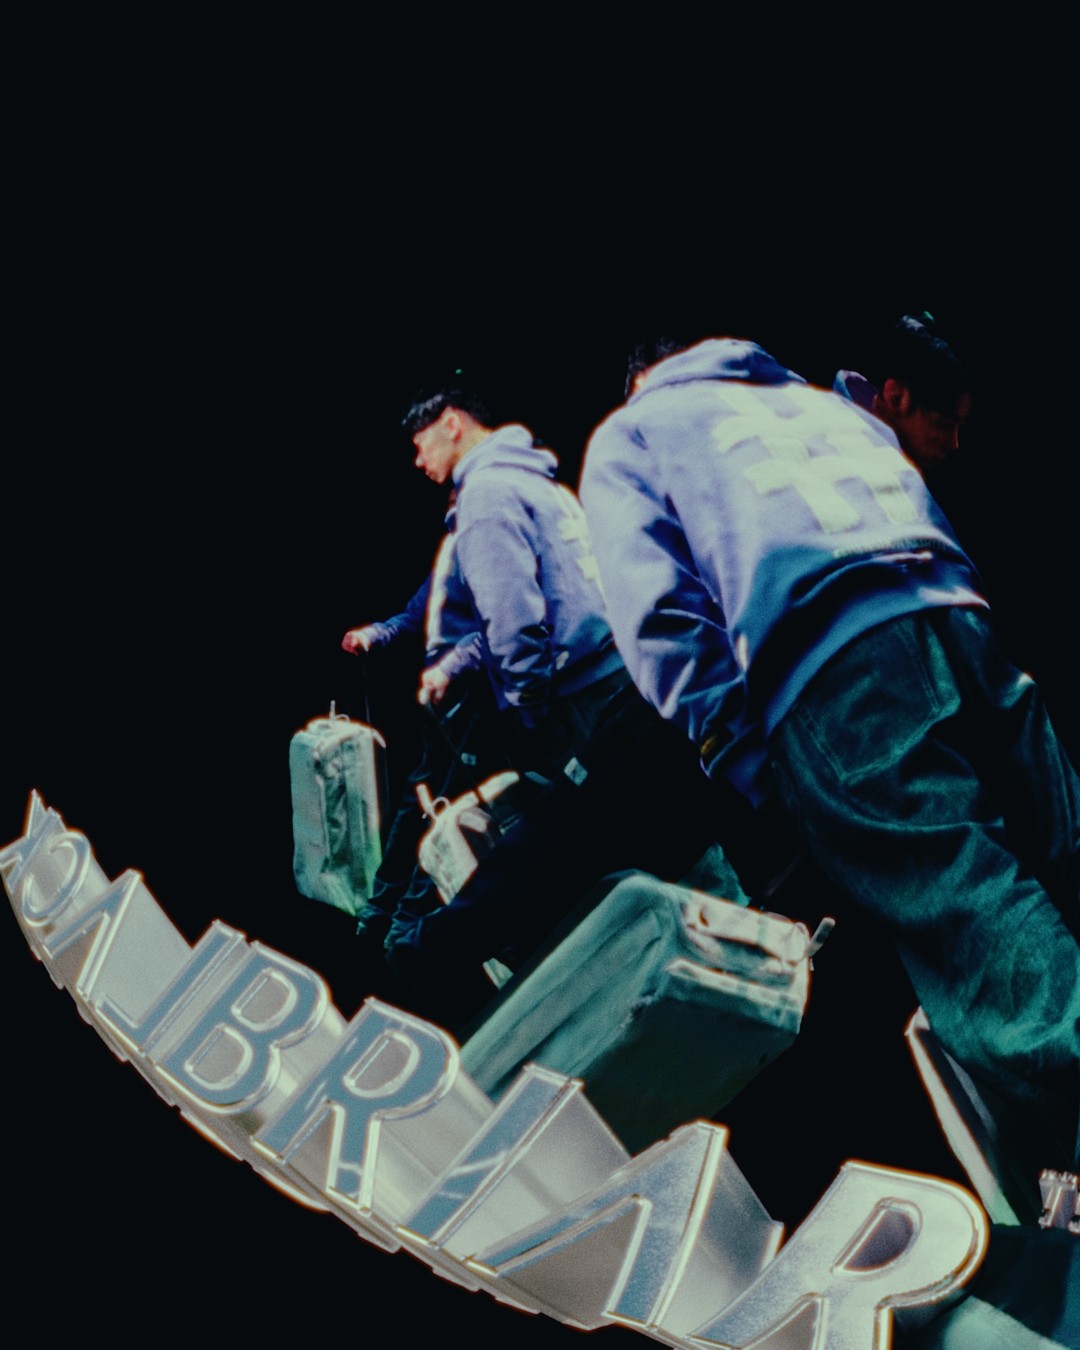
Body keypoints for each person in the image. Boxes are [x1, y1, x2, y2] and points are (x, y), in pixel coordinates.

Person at [580, 335, 1079, 1184]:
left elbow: (659, 619)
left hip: (834, 665)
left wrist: (743, 753)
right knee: (1063, 854)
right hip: (956, 612)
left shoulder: (633, 432)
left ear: (639, 379)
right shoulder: (814, 399)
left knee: (972, 902)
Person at [384, 385, 750, 1031]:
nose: (419, 461)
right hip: (618, 677)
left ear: (452, 423)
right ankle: (737, 942)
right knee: (658, 819)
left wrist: (528, 704)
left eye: (420, 445)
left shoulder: (486, 494)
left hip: (576, 697)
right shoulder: (541, 483)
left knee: (592, 843)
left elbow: (514, 615)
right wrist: (460, 666)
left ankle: (712, 970)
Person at [341, 519, 503, 947]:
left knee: (447, 807)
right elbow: (417, 614)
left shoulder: (489, 546)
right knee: (416, 803)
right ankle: (380, 909)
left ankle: (407, 923)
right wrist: (375, 634)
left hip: (473, 696)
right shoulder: (454, 547)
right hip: (442, 701)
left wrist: (453, 668)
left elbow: (496, 628)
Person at [833, 312, 974, 473]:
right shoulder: (830, 438)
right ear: (896, 397)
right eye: (944, 424)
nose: (954, 443)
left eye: (957, 427)